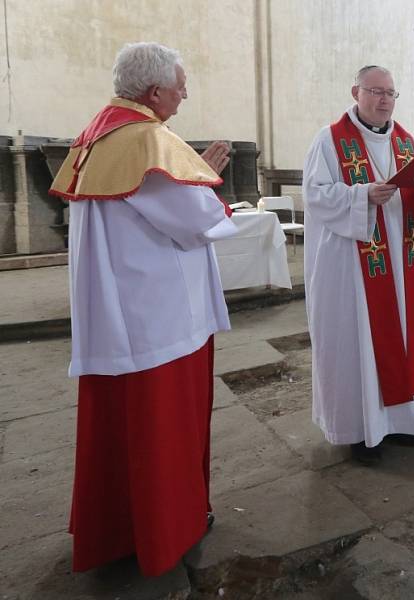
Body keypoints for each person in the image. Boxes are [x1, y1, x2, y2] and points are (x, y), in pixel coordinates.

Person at [48, 42, 236, 576]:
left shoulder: (97, 133)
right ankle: (164, 532)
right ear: (154, 91)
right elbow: (195, 219)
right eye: (179, 86)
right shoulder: (148, 139)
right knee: (161, 433)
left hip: (118, 312)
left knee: (119, 431)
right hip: (158, 318)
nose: (184, 94)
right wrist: (211, 189)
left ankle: (118, 533)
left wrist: (194, 171)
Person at [302, 65, 414, 465]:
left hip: (402, 266)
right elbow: (315, 196)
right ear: (356, 92)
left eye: (390, 93)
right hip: (351, 269)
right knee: (358, 344)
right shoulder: (330, 141)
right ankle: (360, 432)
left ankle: (406, 421)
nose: (385, 100)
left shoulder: (407, 142)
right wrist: (363, 195)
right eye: (376, 92)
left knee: (404, 336)